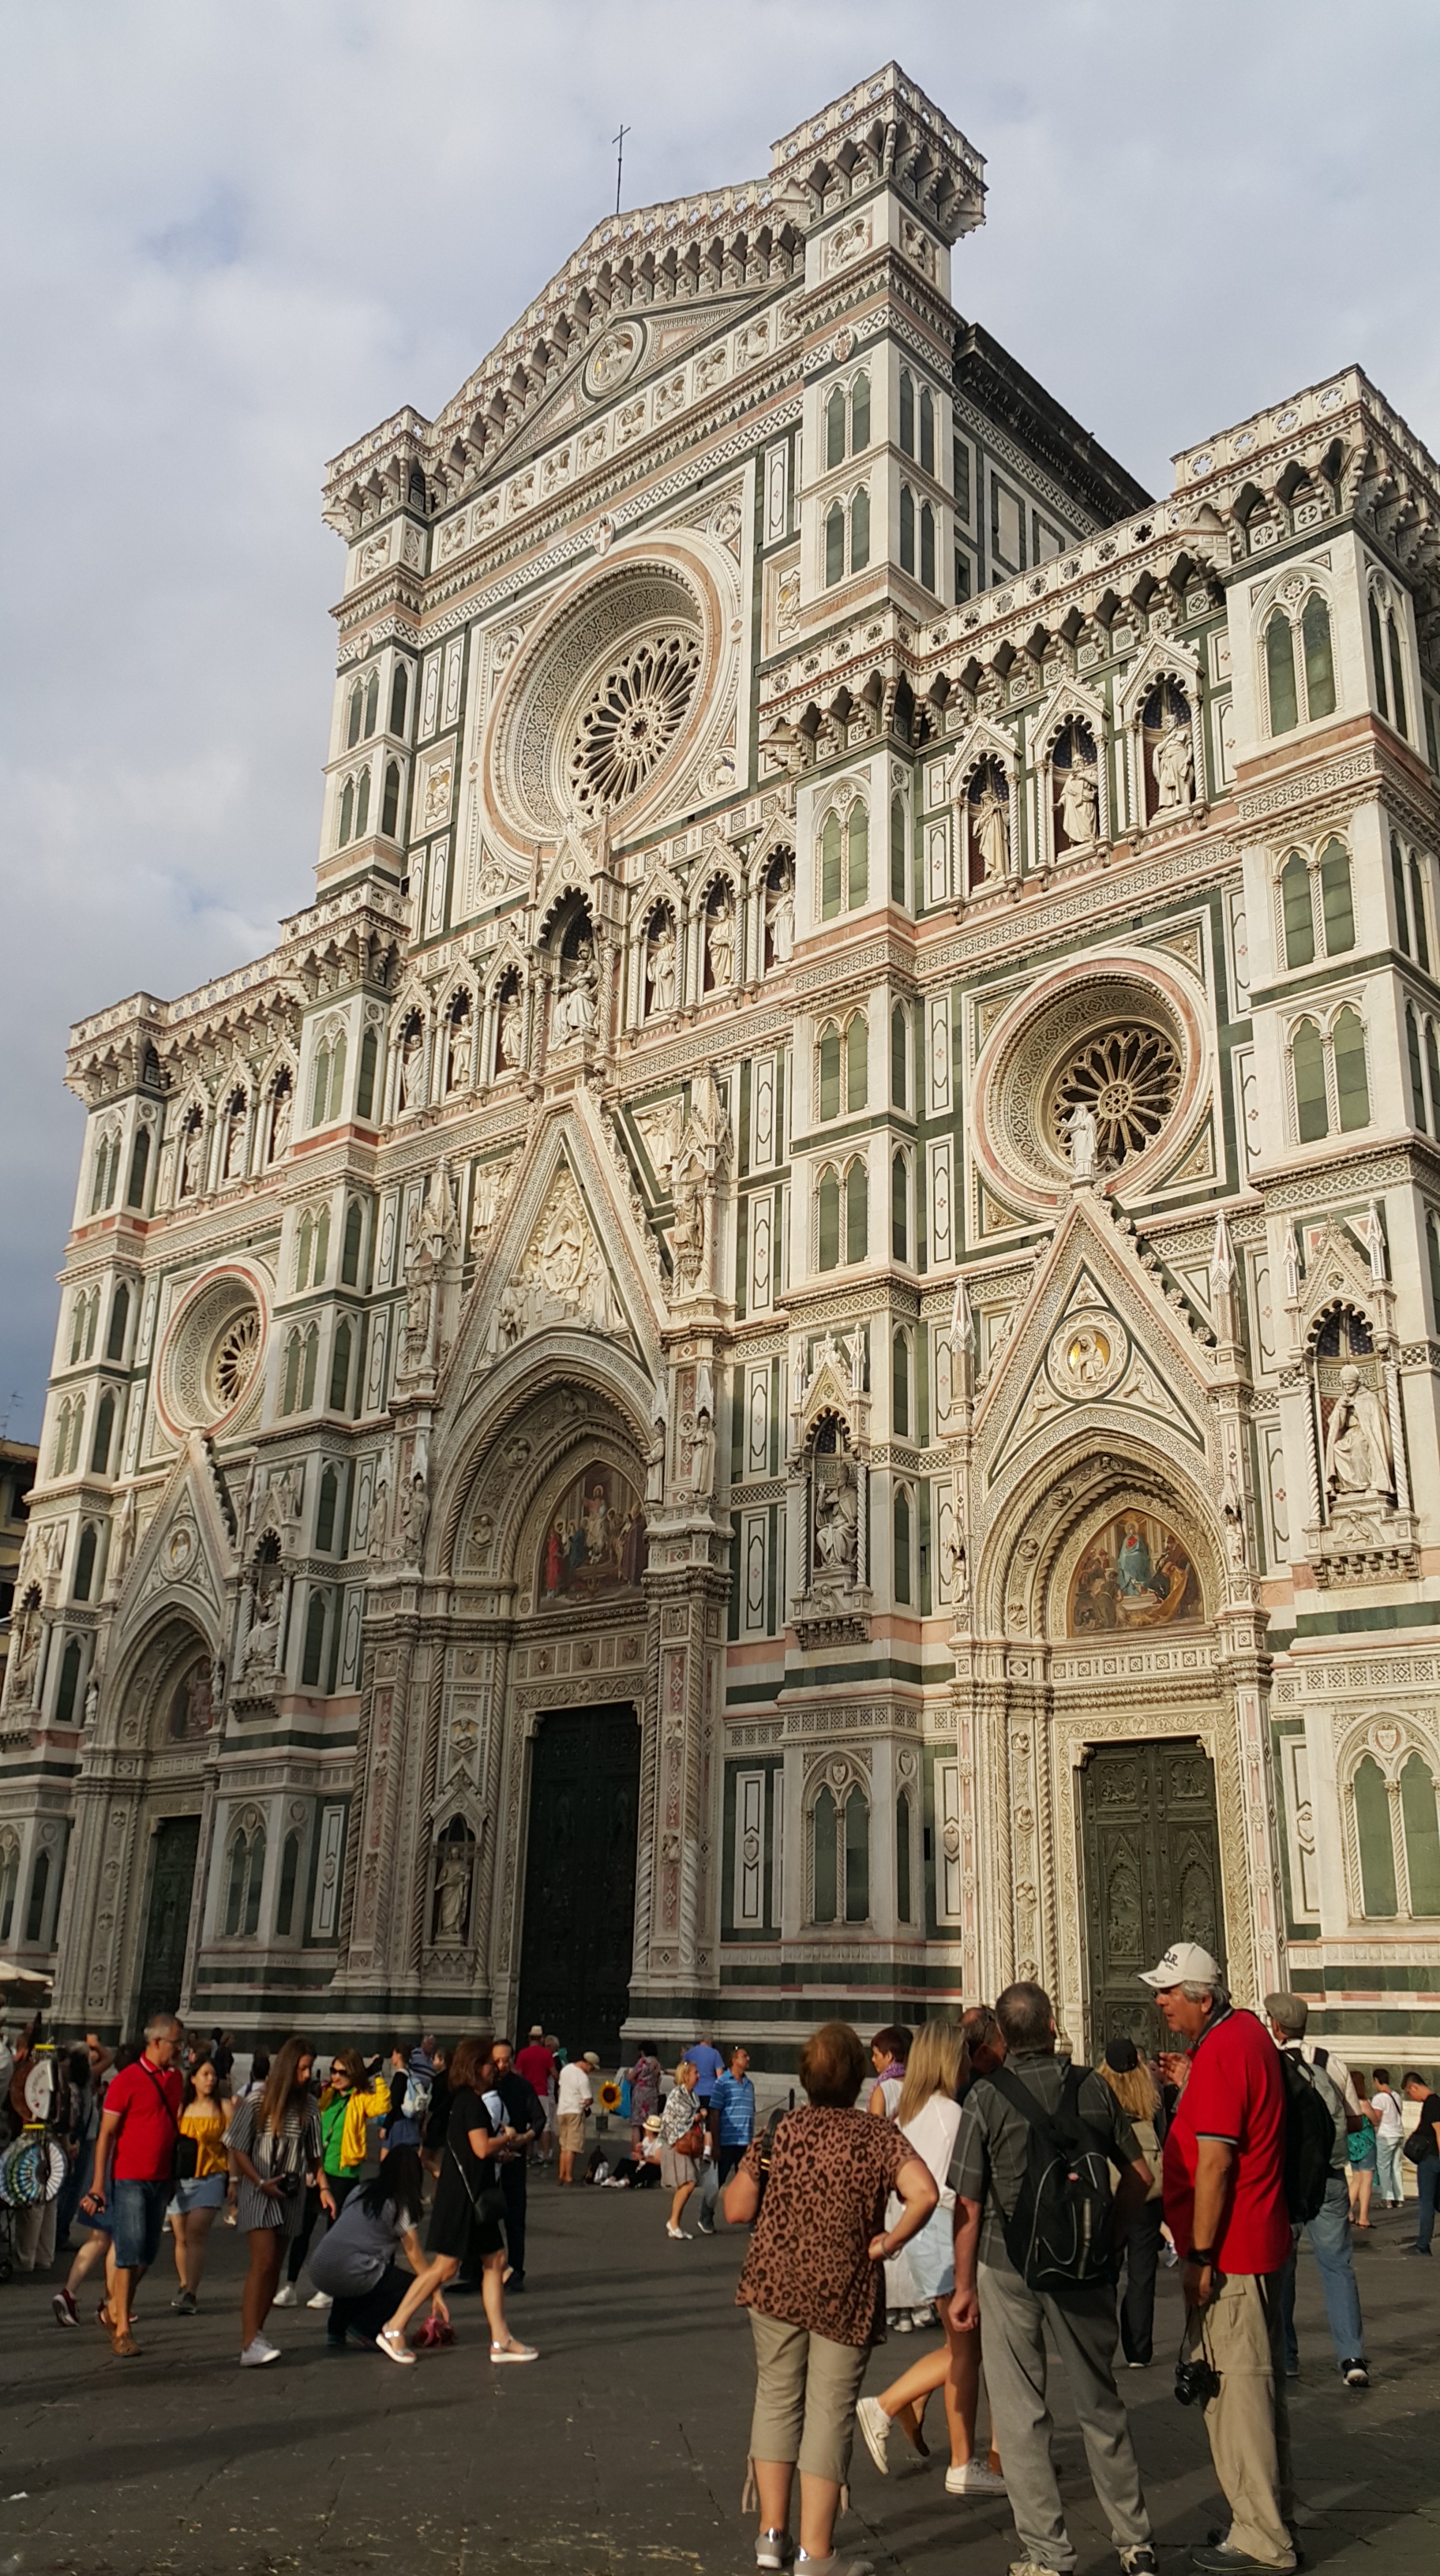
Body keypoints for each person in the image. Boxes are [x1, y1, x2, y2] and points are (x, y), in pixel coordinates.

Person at [950, 1983, 1157, 2576]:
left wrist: (963, 2287)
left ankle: (1048, 2554)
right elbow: (1139, 2176)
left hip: (1007, 2263)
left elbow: (967, 2206)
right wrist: (1111, 2242)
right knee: (1099, 2402)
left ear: (1000, 2037)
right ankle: (1136, 2541)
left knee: (1021, 2415)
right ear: (1054, 2024)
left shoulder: (984, 2098)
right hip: (1085, 2267)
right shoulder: (1092, 2086)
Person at [725, 2019, 938, 2576]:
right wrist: (889, 2241)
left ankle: (771, 2538)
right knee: (829, 2412)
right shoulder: (877, 2136)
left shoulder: (782, 2131)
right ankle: (816, 2556)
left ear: (806, 2076)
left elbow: (736, 2210)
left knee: (775, 2400)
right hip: (843, 2287)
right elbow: (925, 2193)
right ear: (856, 2077)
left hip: (775, 2283)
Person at [1146, 1942, 1294, 2574]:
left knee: (1237, 2394)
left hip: (1231, 2250)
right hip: (1254, 2242)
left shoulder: (1229, 2049)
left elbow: (1214, 2164)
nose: (1159, 2003)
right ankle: (1264, 2517)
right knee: (1245, 2389)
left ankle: (1263, 2535)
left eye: (1169, 1993)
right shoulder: (1239, 2038)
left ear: (1203, 1998)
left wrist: (1199, 2256)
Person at [857, 2018, 1007, 2498]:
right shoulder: (950, 2115)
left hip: (924, 2238)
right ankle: (892, 2408)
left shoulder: (910, 2113)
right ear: (949, 2059)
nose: (968, 2063)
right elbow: (966, 2191)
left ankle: (943, 2439)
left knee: (963, 2349)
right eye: (963, 2055)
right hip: (946, 2235)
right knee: (967, 2351)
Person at [377, 2036, 534, 2366]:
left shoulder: (464, 2100)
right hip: (462, 2197)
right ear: (477, 2067)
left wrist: (500, 2151)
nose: (495, 2068)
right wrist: (507, 2138)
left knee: (495, 2260)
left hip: (470, 2191)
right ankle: (393, 2326)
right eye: (490, 2063)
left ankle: (500, 2338)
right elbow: (479, 2148)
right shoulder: (471, 2103)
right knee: (445, 2267)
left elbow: (470, 2150)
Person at [1264, 1993, 1368, 2386]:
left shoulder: (1269, 2065)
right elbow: (1356, 2122)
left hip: (1285, 2182)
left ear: (1275, 2025)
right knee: (1338, 2266)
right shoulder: (1328, 2061)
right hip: (1329, 2178)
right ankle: (1352, 2357)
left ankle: (1287, 2356)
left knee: (1282, 2268)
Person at [80, 2009, 186, 2357]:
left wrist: (172, 2175)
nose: (180, 2049)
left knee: (148, 2252)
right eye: (175, 2043)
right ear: (156, 2042)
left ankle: (114, 2306)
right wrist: (98, 2183)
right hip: (128, 2178)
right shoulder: (127, 2080)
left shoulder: (174, 2080)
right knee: (128, 2250)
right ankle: (122, 2328)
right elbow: (106, 2135)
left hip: (161, 2179)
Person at [225, 2035, 327, 2367]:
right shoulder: (258, 2103)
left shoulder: (310, 2107)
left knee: (275, 2267)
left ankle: (257, 2334)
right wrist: (251, 2180)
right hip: (259, 2189)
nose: (306, 2075)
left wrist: (324, 2189)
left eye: (310, 2069)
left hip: (291, 2193)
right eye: (301, 2068)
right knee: (264, 2261)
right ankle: (248, 2341)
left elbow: (314, 2155)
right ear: (287, 2067)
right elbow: (237, 2145)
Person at [276, 2048, 389, 2308]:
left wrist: (378, 2076)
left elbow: (382, 2104)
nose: (336, 2077)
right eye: (333, 2071)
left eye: (342, 2072)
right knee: (301, 2230)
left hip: (343, 2173)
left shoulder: (360, 2098)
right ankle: (290, 2285)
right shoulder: (327, 2096)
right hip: (318, 2171)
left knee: (332, 2235)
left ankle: (328, 2289)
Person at [306, 2147, 438, 2353]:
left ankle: (336, 2330)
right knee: (407, 2286)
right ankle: (367, 2327)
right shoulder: (399, 2203)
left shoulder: (361, 2191)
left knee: (358, 2270)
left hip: (320, 2265)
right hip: (350, 2268)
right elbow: (414, 2253)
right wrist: (432, 2286)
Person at [1095, 2036, 1165, 2368]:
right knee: (1142, 2272)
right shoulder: (1151, 2093)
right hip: (1148, 2193)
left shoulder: (1096, 2091)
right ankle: (1139, 2349)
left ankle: (1103, 2343)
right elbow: (1163, 2138)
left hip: (1109, 2187)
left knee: (1106, 2268)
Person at [167, 2055, 231, 2314]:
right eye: (204, 2074)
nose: (210, 2079)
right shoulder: (182, 2108)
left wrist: (234, 2179)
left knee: (195, 2234)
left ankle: (192, 2292)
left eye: (213, 2074)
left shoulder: (224, 2107)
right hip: (181, 2179)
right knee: (181, 2237)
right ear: (192, 2078)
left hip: (211, 2176)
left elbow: (232, 2147)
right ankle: (184, 2284)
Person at [490, 2038, 542, 2290]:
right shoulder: (484, 2088)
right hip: (489, 2161)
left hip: (513, 2161)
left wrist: (526, 2137)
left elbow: (539, 2119)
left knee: (514, 2217)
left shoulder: (522, 2087)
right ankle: (477, 2272)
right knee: (483, 2216)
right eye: (497, 2060)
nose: (502, 2065)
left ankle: (516, 2271)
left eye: (506, 2059)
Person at [697, 2044, 756, 2235]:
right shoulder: (722, 2083)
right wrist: (715, 2142)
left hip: (745, 2142)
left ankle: (754, 2220)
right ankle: (706, 2215)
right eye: (744, 2056)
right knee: (718, 2181)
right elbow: (714, 2113)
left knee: (751, 2182)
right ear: (734, 2060)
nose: (748, 2059)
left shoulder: (749, 2085)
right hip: (726, 2141)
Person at [657, 2057, 703, 2240]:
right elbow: (676, 2119)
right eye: (695, 2073)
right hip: (676, 2142)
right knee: (688, 2182)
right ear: (685, 2076)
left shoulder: (693, 2095)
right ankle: (673, 2222)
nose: (698, 2076)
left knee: (686, 2183)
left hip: (686, 2143)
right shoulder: (677, 2094)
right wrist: (697, 2117)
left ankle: (675, 2223)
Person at [1401, 2069, 1440, 2254]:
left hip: (1431, 2158)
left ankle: (1423, 2245)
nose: (1411, 2097)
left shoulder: (1432, 2104)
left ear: (1414, 2087)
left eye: (1409, 2093)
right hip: (1434, 2157)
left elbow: (1439, 2132)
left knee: (1426, 2202)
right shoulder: (1433, 2103)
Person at [556, 2049, 598, 2185]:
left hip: (562, 2110)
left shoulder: (566, 2069)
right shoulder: (583, 2077)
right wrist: (589, 2104)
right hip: (575, 2110)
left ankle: (561, 2174)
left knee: (564, 2145)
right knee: (572, 2146)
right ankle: (568, 2175)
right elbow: (587, 2099)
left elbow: (561, 2086)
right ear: (589, 2065)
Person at [1369, 2068, 1406, 2209]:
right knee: (1396, 2167)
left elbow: (1376, 2119)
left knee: (1383, 2166)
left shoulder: (1379, 2098)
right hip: (1398, 2133)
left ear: (1377, 2080)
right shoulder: (1396, 2095)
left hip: (1385, 2135)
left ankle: (1387, 2198)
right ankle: (1399, 2198)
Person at [866, 2026, 912, 2120]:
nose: (873, 2059)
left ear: (888, 2056)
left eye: (876, 2055)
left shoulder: (882, 2090)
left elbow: (876, 2130)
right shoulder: (919, 2086)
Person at [624, 2040, 663, 2149]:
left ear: (642, 2051)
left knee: (636, 2125)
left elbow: (630, 2077)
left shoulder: (643, 2062)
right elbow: (658, 2081)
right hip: (652, 2094)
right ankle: (649, 2151)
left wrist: (626, 2074)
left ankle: (637, 2151)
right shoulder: (657, 2063)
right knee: (650, 2125)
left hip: (640, 2094)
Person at [607, 2115, 664, 2188]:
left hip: (652, 2167)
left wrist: (643, 2158)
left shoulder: (659, 2142)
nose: (645, 2130)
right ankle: (613, 2179)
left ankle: (628, 2182)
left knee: (650, 2168)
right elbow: (641, 2154)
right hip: (642, 2164)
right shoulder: (646, 2139)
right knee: (624, 2161)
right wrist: (638, 2152)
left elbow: (658, 2160)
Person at [681, 2033, 725, 2110]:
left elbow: (681, 2071)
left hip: (693, 2091)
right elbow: (720, 2077)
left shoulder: (689, 2053)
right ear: (710, 2043)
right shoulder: (715, 2053)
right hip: (710, 2092)